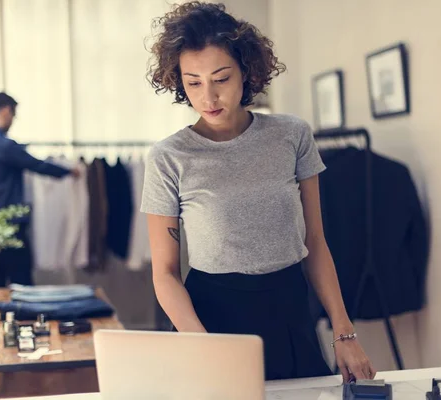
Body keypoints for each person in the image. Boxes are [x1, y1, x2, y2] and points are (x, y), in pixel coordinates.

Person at [141, 2, 376, 381]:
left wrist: (344, 332)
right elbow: (165, 272)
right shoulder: (169, 157)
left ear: (246, 72)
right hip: (210, 317)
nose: (208, 97)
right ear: (178, 81)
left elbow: (315, 241)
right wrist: (199, 341)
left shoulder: (292, 135)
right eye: (193, 82)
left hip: (289, 308)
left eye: (221, 78)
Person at [0, 92, 79, 288]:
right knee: (22, 285)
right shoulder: (5, 146)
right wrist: (68, 171)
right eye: (13, 115)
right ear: (6, 111)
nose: (13, 120)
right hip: (11, 226)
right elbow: (37, 165)